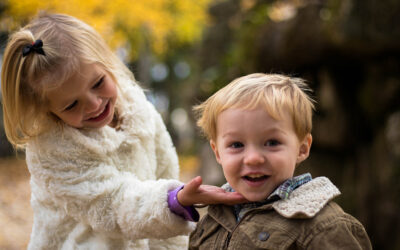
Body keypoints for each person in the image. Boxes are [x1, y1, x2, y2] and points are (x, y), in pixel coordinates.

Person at [1, 13, 245, 249]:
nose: (94, 104)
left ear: (108, 64)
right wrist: (172, 201)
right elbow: (112, 205)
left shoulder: (138, 110)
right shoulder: (53, 150)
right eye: (72, 104)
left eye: (98, 83)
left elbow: (164, 169)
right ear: (48, 110)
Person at [188, 73, 372, 249]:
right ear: (218, 152)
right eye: (236, 144)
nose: (253, 158)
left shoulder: (325, 226)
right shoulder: (213, 217)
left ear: (302, 148)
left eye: (272, 143)